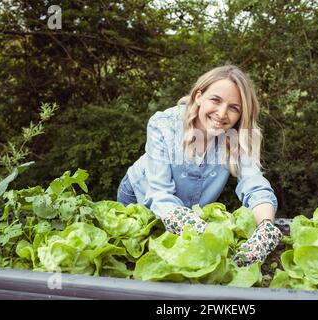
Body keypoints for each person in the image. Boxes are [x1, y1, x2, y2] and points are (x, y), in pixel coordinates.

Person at [117, 65, 281, 267]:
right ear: (198, 96)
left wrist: (266, 228)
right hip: (140, 194)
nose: (222, 113)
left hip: (189, 211)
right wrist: (204, 232)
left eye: (234, 108)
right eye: (216, 100)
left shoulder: (237, 136)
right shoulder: (164, 125)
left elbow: (254, 185)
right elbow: (159, 194)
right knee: (139, 260)